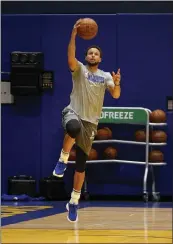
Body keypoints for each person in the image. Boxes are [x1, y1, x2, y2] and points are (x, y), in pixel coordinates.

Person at [53, 19, 121, 223]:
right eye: (90, 52)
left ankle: (73, 201)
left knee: (82, 164)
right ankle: (63, 159)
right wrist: (73, 35)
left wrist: (116, 84)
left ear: (100, 58)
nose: (92, 55)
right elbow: (70, 56)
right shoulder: (79, 70)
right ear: (86, 57)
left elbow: (116, 95)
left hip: (91, 122)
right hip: (74, 112)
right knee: (72, 127)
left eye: (96, 53)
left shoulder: (105, 76)